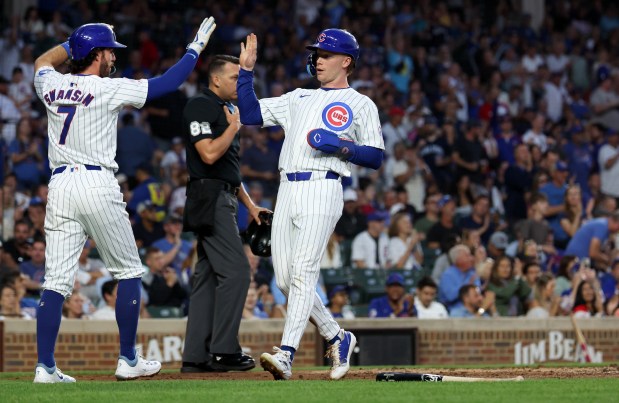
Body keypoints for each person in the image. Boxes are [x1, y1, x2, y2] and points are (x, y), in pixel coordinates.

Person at [32, 18, 217, 383]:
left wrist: (72, 46)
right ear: (97, 54)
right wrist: (194, 49)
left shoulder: (50, 82)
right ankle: (128, 358)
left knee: (55, 281)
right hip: (96, 182)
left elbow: (41, 61)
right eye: (109, 51)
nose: (113, 57)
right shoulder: (108, 88)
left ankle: (45, 366)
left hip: (60, 186)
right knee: (129, 271)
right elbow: (169, 83)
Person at [237, 29, 384, 381]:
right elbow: (251, 114)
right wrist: (246, 72)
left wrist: (340, 147)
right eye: (316, 53)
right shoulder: (298, 97)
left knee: (303, 273)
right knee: (287, 281)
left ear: (346, 61)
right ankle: (337, 335)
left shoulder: (361, 103)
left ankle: (286, 354)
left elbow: (376, 156)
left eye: (326, 54)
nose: (318, 59)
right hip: (287, 187)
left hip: (324, 185)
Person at [181, 54, 268, 374]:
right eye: (234, 77)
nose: (240, 83)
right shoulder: (201, 106)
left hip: (224, 196)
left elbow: (229, 170)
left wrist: (250, 205)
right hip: (209, 197)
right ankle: (224, 350)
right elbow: (208, 153)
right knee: (237, 272)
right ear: (216, 79)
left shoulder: (225, 110)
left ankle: (195, 356)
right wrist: (232, 127)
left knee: (207, 278)